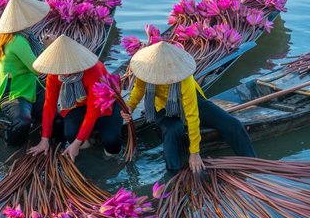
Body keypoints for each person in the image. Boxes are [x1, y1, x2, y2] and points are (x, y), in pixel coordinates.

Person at [122, 41, 256, 173]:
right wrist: (130, 107)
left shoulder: (184, 79)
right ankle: (173, 174)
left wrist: (195, 153)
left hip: (191, 102)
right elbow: (138, 89)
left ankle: (253, 165)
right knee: (172, 130)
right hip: (163, 107)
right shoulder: (147, 72)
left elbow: (192, 116)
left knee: (232, 124)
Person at [28, 35, 124, 161]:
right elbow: (49, 105)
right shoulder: (54, 74)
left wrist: (77, 143)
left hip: (103, 104)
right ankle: (89, 150)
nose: (62, 71)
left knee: (112, 143)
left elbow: (92, 111)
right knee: (71, 135)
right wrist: (44, 139)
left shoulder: (93, 70)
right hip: (76, 104)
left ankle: (106, 159)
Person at [0, 0, 51, 146]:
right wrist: (51, 47)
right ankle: (11, 145)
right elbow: (37, 69)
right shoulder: (17, 40)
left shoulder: (23, 35)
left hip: (31, 85)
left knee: (54, 116)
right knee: (23, 121)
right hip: (14, 92)